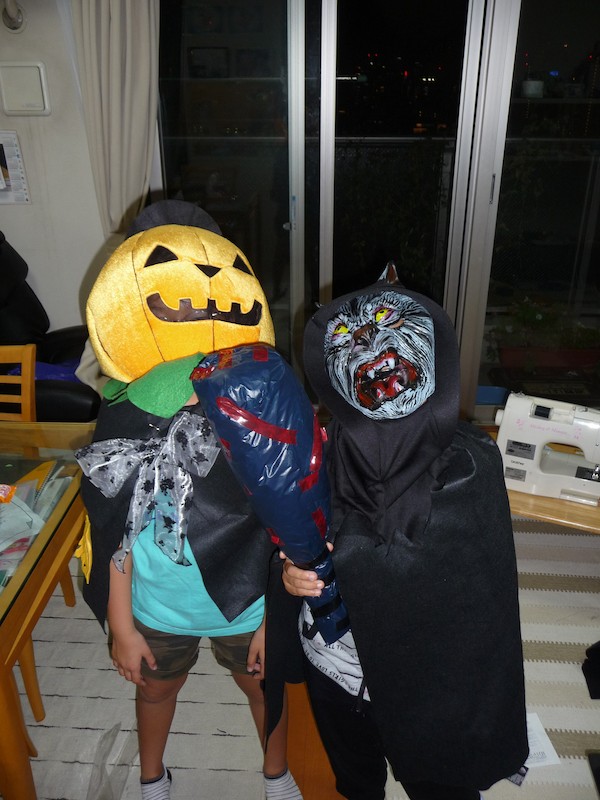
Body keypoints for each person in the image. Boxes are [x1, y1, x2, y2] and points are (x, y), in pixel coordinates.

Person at [75, 202, 302, 800]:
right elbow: (114, 527)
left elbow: (286, 516)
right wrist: (121, 625)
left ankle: (276, 772)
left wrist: (274, 619)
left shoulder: (257, 407)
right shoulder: (124, 414)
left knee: (262, 688)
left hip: (248, 602)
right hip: (158, 606)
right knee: (156, 690)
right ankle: (153, 777)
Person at [279, 264, 529, 800]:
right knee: (357, 781)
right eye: (346, 338)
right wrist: (293, 571)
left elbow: (481, 601)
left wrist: (344, 554)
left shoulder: (472, 464)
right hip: (341, 669)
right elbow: (290, 543)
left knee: (440, 784)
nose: (370, 342)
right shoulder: (316, 457)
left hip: (436, 684)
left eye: (389, 322)